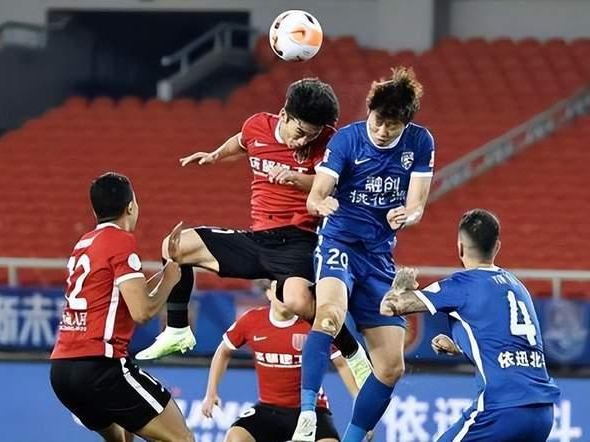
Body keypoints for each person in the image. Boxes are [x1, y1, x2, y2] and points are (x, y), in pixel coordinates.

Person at [136, 78, 372, 387]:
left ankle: (353, 353)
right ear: (284, 114)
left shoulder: (328, 142)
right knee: (175, 247)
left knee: (298, 302)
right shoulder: (257, 125)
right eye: (300, 132)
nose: (303, 141)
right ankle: (178, 330)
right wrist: (216, 154)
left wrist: (294, 178)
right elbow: (242, 141)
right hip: (257, 239)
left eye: (311, 135)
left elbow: (329, 184)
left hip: (297, 239)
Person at [293, 67, 435, 442]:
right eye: (378, 120)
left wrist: (408, 215)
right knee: (328, 316)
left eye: (392, 125)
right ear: (369, 112)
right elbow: (316, 193)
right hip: (339, 243)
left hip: (378, 259)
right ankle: (306, 415)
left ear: (405, 123)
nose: (383, 130)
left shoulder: (420, 142)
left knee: (391, 367)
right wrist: (320, 202)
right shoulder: (348, 140)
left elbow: (417, 204)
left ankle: (354, 438)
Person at [380, 209, 560, 441]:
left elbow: (389, 308)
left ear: (460, 248)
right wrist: (459, 347)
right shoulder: (517, 286)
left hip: (502, 410)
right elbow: (509, 342)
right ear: (497, 247)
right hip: (543, 414)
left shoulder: (460, 285)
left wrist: (399, 287)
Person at [50, 172, 193, 442]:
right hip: (100, 366)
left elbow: (123, 295)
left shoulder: (85, 242)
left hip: (62, 371)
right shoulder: (120, 240)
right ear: (130, 207)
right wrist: (170, 280)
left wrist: (166, 271)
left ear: (95, 211)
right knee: (181, 438)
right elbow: (142, 311)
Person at [201, 280, 360, 442]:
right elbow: (223, 351)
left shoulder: (314, 324)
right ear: (269, 293)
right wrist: (211, 393)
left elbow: (341, 363)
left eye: (289, 290)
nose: (285, 295)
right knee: (235, 438)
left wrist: (358, 400)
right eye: (280, 289)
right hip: (269, 409)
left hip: (312, 410)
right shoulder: (251, 321)